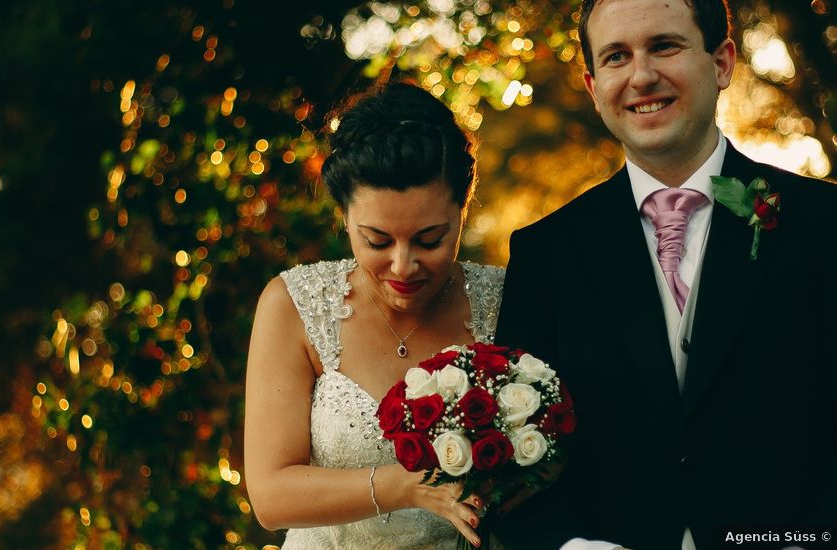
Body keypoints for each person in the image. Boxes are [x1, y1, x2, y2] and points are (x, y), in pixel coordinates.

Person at [494, 0, 837, 548]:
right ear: (592, 85)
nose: (641, 75)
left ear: (722, 63)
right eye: (616, 57)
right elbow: (513, 451)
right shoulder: (545, 252)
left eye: (664, 46)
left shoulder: (823, 225)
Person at [244, 82, 505, 549]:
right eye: (377, 241)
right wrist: (408, 487)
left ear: (463, 208)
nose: (403, 266)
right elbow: (270, 496)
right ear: (344, 217)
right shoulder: (294, 305)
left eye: (430, 239)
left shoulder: (504, 301)